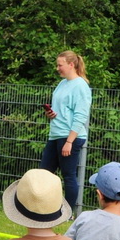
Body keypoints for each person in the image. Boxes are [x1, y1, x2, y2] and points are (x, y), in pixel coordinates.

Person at [40, 50, 92, 212]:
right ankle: (45, 209)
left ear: (71, 65)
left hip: (70, 137)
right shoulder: (62, 84)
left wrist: (69, 141)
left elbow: (81, 115)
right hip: (55, 134)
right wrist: (50, 113)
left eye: (60, 65)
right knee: (44, 173)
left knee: (68, 176)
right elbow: (62, 109)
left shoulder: (81, 86)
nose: (57, 68)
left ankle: (67, 213)